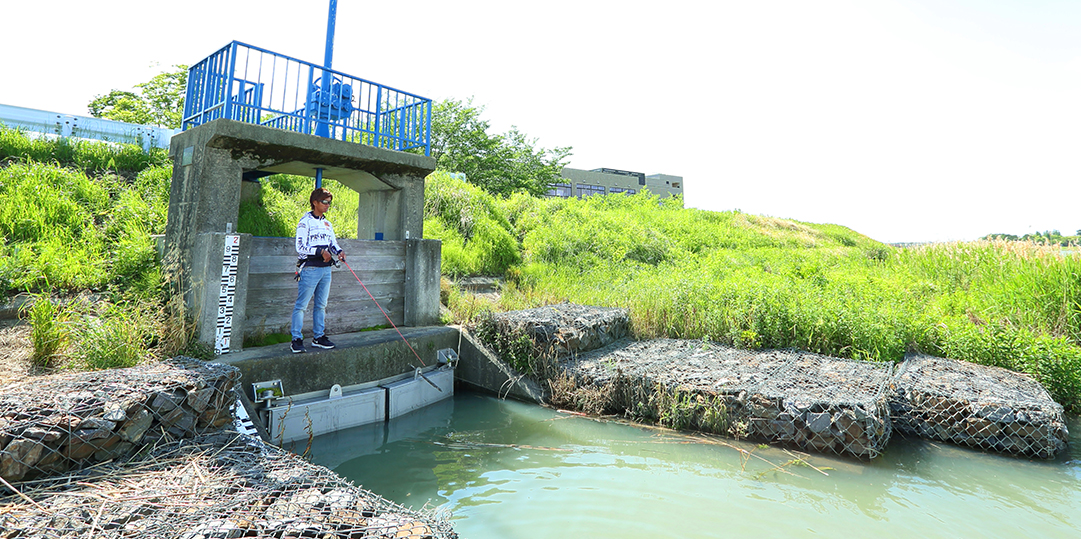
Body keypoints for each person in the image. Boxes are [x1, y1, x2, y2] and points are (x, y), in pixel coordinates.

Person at [290, 187, 346, 353]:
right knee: (301, 306)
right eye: (324, 202)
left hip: (326, 270)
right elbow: (299, 247)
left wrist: (339, 252)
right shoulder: (304, 222)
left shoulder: (327, 224)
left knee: (321, 305)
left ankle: (318, 337)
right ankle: (296, 339)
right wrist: (320, 252)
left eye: (329, 202)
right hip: (310, 269)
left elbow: (333, 244)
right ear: (315, 202)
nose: (327, 205)